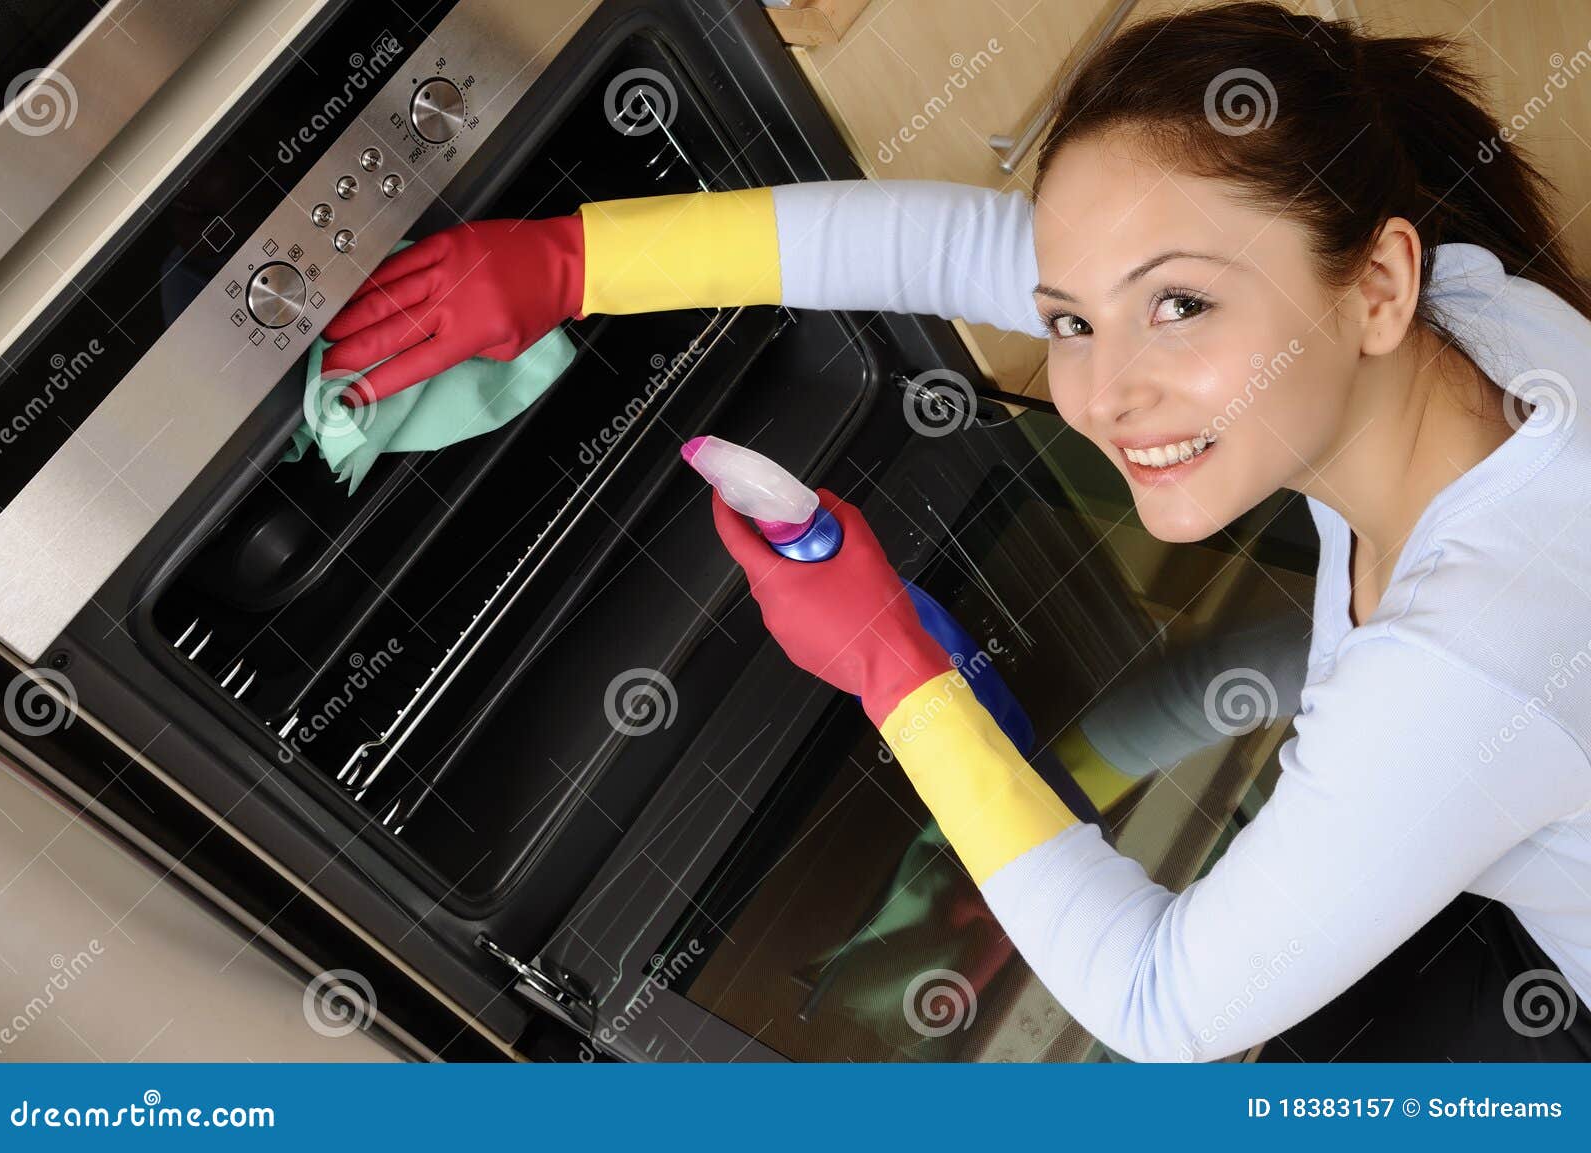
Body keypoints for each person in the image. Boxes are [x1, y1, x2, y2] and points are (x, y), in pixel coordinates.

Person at [320, 3, 1591, 1060]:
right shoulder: (1473, 324)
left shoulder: (1469, 645)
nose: (1098, 392)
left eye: (1180, 306)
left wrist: (890, 663)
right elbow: (953, 248)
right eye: (1072, 322)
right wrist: (567, 264)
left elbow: (1163, 1001)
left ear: (1376, 282)